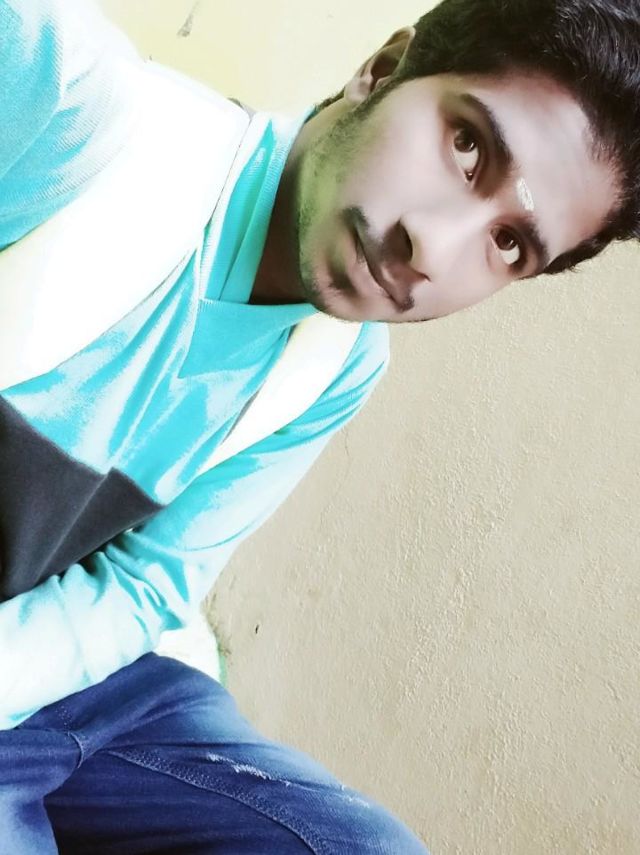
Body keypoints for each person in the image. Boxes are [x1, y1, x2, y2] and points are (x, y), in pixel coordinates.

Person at [1, 0, 639, 850]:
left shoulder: (337, 366)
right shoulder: (73, 106)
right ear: (383, 68)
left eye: (511, 244)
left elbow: (146, 585)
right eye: (466, 145)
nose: (433, 248)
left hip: (83, 678)